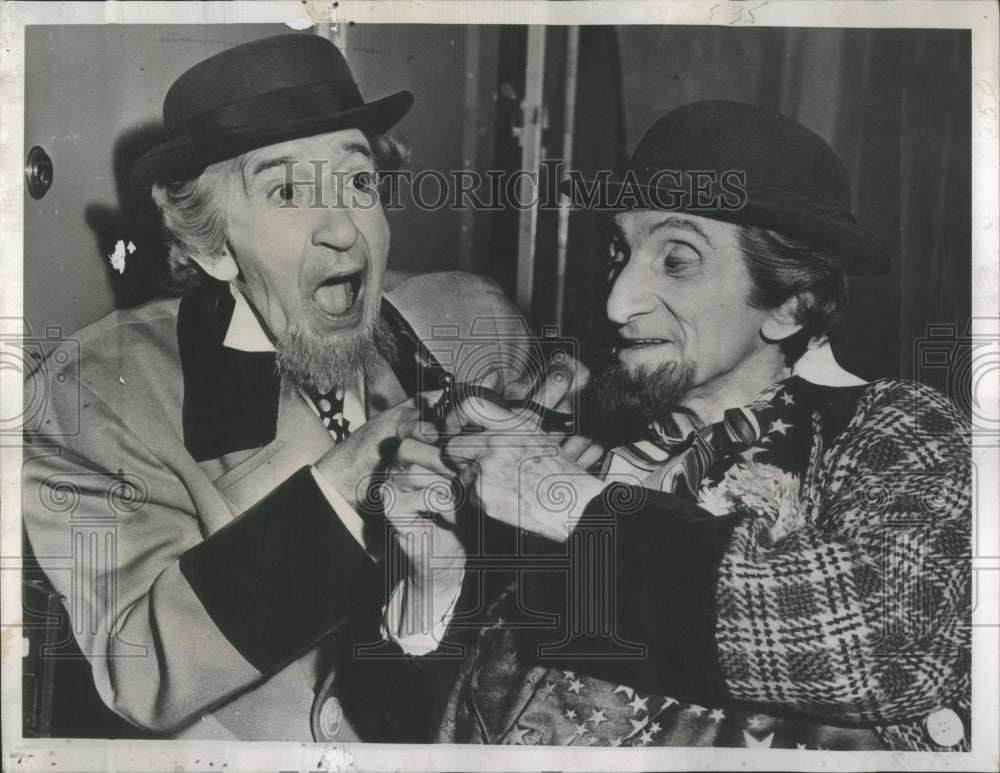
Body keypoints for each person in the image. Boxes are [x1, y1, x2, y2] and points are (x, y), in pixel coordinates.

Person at [386, 100, 971, 751]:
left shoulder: (893, 429)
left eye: (677, 258)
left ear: (789, 303)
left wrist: (573, 505)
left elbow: (896, 643)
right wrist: (432, 581)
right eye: (619, 250)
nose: (616, 301)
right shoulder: (587, 437)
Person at [22, 33, 532, 741]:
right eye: (287, 190)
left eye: (359, 182)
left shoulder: (472, 323)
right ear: (211, 245)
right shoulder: (99, 397)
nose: (342, 231)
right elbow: (139, 666)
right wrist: (346, 485)